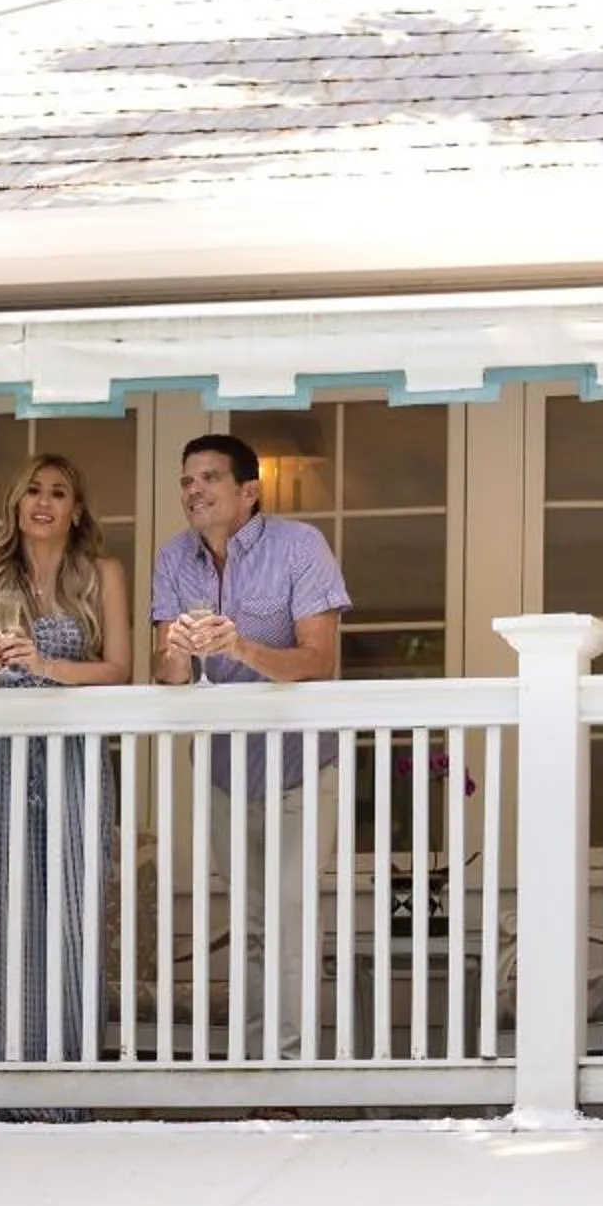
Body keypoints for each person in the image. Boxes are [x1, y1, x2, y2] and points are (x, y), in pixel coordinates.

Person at [151, 432, 351, 1059]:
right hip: (220, 768)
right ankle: (252, 1062)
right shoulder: (173, 559)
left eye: (209, 479)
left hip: (298, 763)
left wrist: (239, 647)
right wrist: (179, 651)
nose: (194, 491)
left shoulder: (299, 547)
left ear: (248, 491)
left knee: (289, 919)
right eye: (187, 481)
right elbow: (166, 675)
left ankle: (284, 1071)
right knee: (249, 920)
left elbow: (320, 661)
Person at [0, 453, 131, 1098]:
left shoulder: (102, 573)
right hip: (7, 759)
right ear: (15, 505)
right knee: (12, 907)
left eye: (58, 492)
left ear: (76, 509)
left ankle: (70, 1083)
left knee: (74, 907)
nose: (43, 502)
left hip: (76, 756)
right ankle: (8, 1084)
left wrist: (46, 662)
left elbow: (120, 670)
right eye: (32, 491)